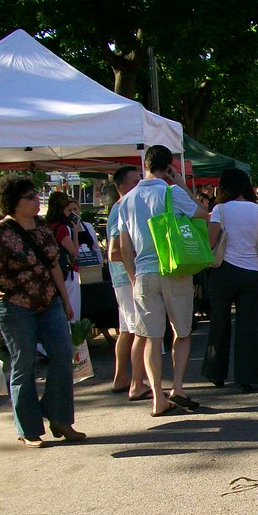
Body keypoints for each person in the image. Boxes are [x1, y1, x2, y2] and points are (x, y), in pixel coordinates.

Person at [0, 174, 84, 447]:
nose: (37, 199)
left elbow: (53, 266)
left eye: (36, 195)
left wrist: (65, 299)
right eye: (30, 197)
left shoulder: (41, 226)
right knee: (23, 365)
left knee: (63, 356)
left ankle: (60, 417)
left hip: (49, 304)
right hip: (14, 309)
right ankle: (28, 428)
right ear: (13, 202)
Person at [118, 144, 210, 416]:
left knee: (151, 338)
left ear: (145, 165)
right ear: (168, 166)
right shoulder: (172, 192)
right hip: (174, 268)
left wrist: (134, 277)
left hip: (143, 273)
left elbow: (124, 247)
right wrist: (181, 183)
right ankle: (178, 387)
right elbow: (203, 215)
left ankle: (157, 396)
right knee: (181, 333)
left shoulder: (127, 200)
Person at [202, 168, 258, 392]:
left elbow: (211, 242)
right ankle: (247, 377)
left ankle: (216, 373)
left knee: (219, 323)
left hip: (224, 271)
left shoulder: (219, 210)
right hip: (250, 272)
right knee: (248, 326)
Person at [106, 165, 149, 399]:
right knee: (139, 330)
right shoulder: (122, 207)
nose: (139, 186)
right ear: (121, 187)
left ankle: (121, 377)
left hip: (124, 277)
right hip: (127, 277)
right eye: (134, 182)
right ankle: (136, 383)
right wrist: (135, 260)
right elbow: (113, 251)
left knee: (127, 330)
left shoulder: (125, 206)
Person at [44, 190, 82, 322]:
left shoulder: (45, 225)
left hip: (52, 273)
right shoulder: (62, 228)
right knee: (72, 312)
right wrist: (75, 232)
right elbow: (74, 252)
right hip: (67, 273)